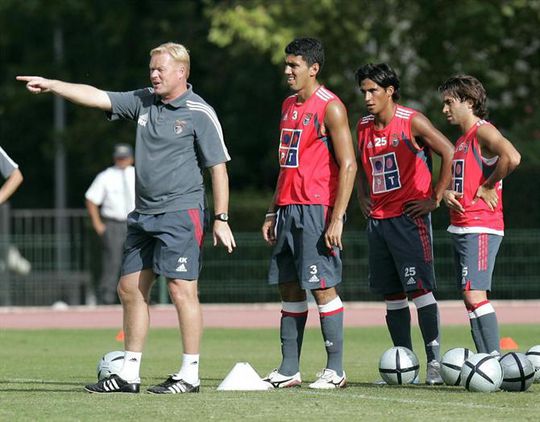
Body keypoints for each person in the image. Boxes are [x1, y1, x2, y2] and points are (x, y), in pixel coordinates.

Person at [18, 41, 236, 394]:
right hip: (143, 215)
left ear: (182, 72)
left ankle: (190, 375)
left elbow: (219, 168)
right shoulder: (143, 101)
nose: (153, 74)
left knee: (182, 290)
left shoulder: (199, 111)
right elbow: (97, 96)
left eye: (160, 69)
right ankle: (129, 374)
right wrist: (54, 84)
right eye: (151, 68)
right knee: (129, 289)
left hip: (181, 213)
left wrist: (222, 218)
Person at [261, 38, 357, 389]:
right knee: (288, 287)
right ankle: (289, 370)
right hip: (287, 208)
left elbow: (348, 164)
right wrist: (272, 210)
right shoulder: (287, 105)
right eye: (286, 65)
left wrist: (337, 218)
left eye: (294, 65)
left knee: (321, 287)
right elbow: (286, 164)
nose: (287, 71)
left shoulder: (331, 106)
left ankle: (336, 370)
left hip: (316, 209)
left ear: (313, 68)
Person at [355, 63, 454, 384]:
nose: (367, 97)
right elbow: (356, 164)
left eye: (373, 91)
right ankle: (404, 363)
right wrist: (361, 197)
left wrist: (435, 198)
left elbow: (449, 152)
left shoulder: (411, 121)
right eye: (364, 91)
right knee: (392, 295)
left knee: (420, 291)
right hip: (378, 222)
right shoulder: (363, 126)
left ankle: (435, 364)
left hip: (409, 220)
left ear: (390, 91)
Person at [439, 75, 520, 355]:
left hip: (481, 226)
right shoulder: (462, 140)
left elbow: (512, 156)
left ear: (469, 102)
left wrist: (488, 185)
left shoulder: (482, 131)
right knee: (469, 297)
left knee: (475, 294)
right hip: (462, 226)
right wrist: (449, 193)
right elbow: (463, 181)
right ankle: (486, 358)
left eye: (449, 102)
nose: (445, 109)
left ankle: (493, 359)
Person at [85, 143, 135, 305]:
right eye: (119, 157)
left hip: (135, 223)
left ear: (131, 158)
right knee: (112, 261)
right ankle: (107, 297)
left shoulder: (137, 174)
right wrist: (98, 224)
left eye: (125, 157)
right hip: (114, 223)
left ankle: (139, 295)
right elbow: (91, 199)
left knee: (137, 261)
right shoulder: (106, 176)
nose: (122, 160)